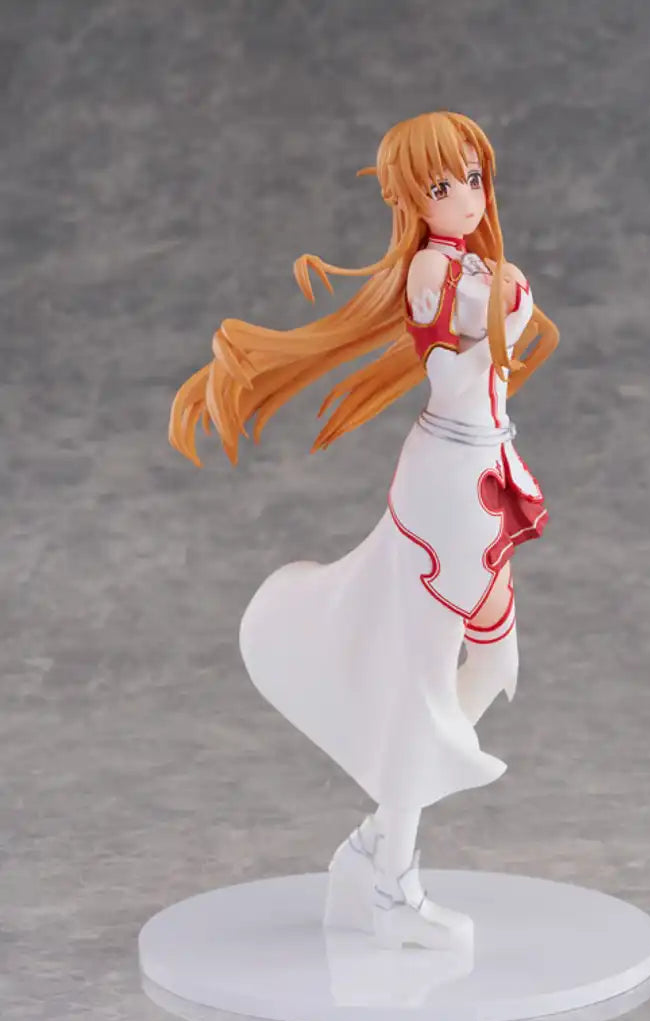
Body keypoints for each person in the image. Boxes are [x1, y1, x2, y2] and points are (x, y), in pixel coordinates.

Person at [169, 111, 560, 950]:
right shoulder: (432, 270)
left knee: (495, 660)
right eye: (444, 184)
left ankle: (375, 841)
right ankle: (391, 887)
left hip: (483, 468)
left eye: (473, 178)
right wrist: (511, 311)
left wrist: (508, 302)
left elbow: (493, 340)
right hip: (449, 486)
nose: (466, 197)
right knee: (424, 685)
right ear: (411, 198)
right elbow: (454, 371)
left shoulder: (472, 265)